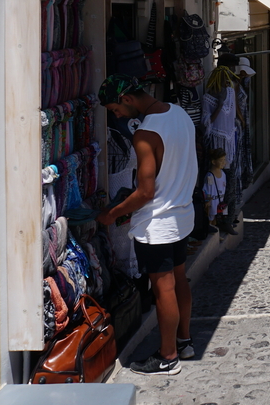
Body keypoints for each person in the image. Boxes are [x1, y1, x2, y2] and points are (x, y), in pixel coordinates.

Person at [96, 74, 198, 376]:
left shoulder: (145, 134)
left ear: (127, 99)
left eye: (115, 109)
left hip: (158, 223)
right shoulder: (179, 114)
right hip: (182, 214)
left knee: (162, 289)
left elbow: (145, 192)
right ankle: (184, 341)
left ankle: (167, 357)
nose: (117, 115)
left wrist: (112, 214)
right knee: (179, 281)